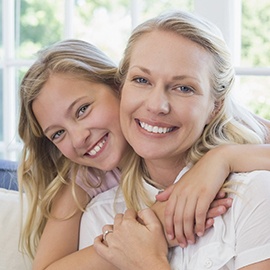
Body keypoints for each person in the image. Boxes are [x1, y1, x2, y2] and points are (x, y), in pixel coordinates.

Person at [79, 10, 270, 269]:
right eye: (142, 80)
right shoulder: (101, 216)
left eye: (184, 88)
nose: (157, 105)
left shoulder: (254, 193)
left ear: (215, 106)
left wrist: (148, 262)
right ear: (121, 87)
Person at [18, 39, 232, 270]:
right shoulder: (87, 178)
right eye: (58, 133)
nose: (79, 138)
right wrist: (149, 229)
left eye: (82, 110)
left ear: (119, 86)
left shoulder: (196, 123)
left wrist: (221, 159)